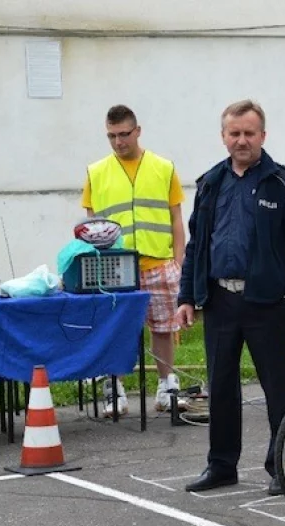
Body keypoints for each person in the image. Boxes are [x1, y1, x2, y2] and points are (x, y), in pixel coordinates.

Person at [177, 100, 285, 495]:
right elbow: (196, 246)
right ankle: (222, 466)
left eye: (249, 133)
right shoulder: (210, 183)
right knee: (220, 387)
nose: (241, 140)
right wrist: (187, 296)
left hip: (265, 303)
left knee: (277, 389)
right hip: (220, 301)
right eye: (234, 133)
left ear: (263, 135)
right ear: (224, 136)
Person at [83, 105, 187, 416]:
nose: (118, 142)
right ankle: (114, 389)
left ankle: (167, 385)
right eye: (112, 136)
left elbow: (176, 219)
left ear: (137, 131)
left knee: (164, 328)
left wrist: (179, 262)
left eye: (124, 134)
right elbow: (91, 224)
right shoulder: (96, 172)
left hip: (158, 262)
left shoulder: (163, 168)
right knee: (113, 330)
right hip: (115, 267)